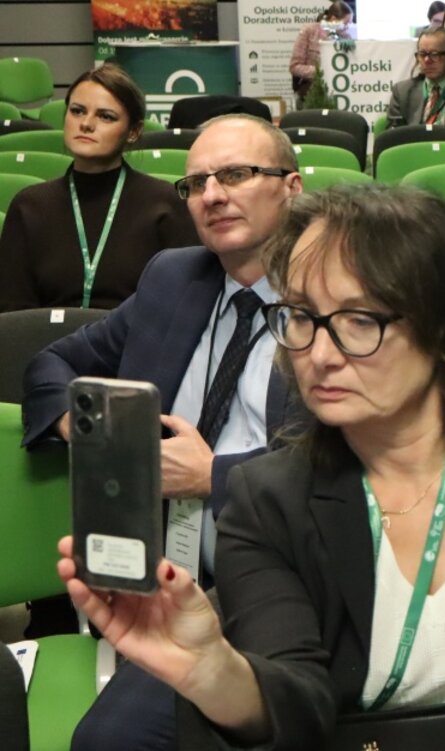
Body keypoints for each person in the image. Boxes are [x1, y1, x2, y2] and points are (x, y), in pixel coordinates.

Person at [57, 183, 445, 750]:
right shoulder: (269, 497)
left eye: (359, 322)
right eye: (302, 317)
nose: (319, 354)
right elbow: (298, 704)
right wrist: (216, 672)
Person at [23, 113, 303, 750]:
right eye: (196, 183)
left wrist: (213, 477)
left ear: (292, 186)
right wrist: (86, 426)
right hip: (155, 574)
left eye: (236, 174)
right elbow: (53, 364)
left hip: (275, 577)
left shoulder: (335, 295)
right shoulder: (174, 278)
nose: (212, 195)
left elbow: (354, 464)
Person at [0, 63, 198, 312]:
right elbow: (13, 311)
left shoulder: (165, 203)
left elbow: (181, 306)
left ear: (133, 132)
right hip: (46, 336)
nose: (86, 124)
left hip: (135, 335)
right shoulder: (29, 206)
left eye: (106, 116)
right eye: (77, 111)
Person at [289, 1, 355, 102]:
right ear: (333, 20)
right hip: (312, 88)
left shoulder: (346, 37)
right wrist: (322, 72)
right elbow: (294, 67)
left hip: (340, 87)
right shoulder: (309, 31)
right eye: (345, 23)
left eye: (350, 24)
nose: (348, 28)